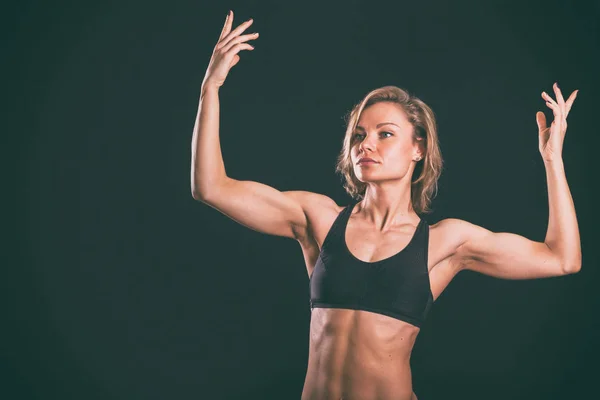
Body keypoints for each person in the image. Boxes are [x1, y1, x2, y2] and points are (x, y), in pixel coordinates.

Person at [190, 10, 582, 400]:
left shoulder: (444, 243)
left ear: (419, 148)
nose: (366, 144)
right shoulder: (319, 219)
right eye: (359, 134)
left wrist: (553, 162)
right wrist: (211, 88)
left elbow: (562, 258)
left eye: (385, 134)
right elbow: (211, 187)